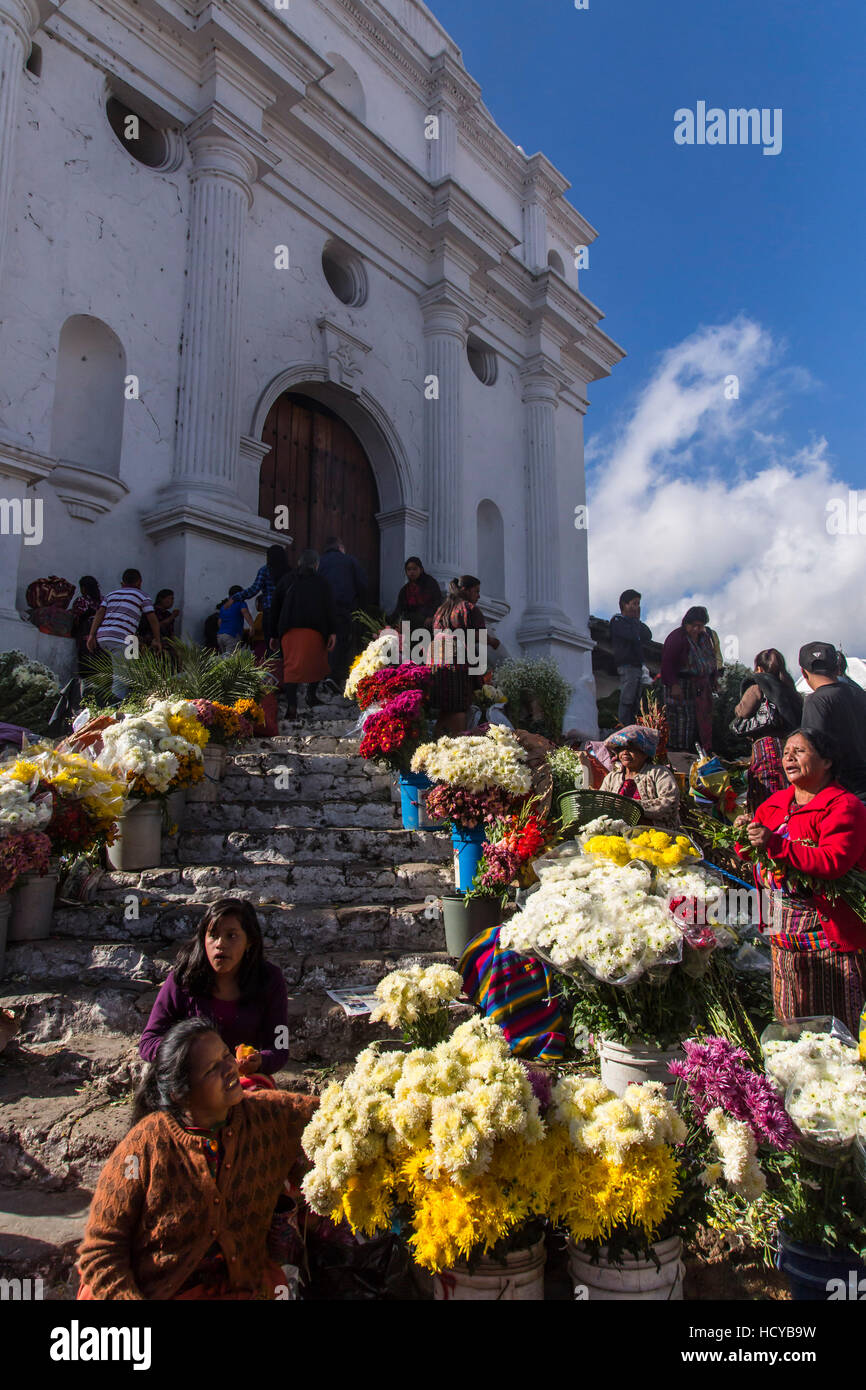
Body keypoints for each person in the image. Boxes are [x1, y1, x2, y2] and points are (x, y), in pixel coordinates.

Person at [77, 1018, 317, 1300]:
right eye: (213, 1069)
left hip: (245, 1287)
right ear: (181, 1093)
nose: (230, 1068)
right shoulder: (145, 1146)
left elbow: (333, 1115)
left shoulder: (268, 1116)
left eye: (227, 1055)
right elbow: (102, 1250)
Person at [734, 728, 866, 1035]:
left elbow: (833, 861)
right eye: (786, 752)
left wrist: (776, 845)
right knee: (793, 1025)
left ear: (827, 761)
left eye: (800, 751)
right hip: (784, 938)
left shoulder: (843, 806)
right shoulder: (775, 804)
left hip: (827, 937)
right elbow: (750, 854)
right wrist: (744, 835)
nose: (789, 757)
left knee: (836, 1027)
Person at [140, 899, 289, 1086]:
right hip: (191, 1082)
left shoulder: (270, 980)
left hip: (241, 1081)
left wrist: (260, 1061)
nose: (220, 944)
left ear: (249, 941)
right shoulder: (182, 979)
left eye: (231, 936)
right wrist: (190, 1056)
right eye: (213, 935)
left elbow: (280, 1048)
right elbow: (148, 1041)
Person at [733, 648, 804, 812]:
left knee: (765, 793)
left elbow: (742, 711)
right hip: (788, 748)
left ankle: (766, 826)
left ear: (759, 668)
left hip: (765, 749)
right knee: (786, 789)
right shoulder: (790, 690)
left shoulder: (757, 687)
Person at [430, 576, 500, 736]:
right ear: (465, 590)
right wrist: (492, 641)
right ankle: (457, 743)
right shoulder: (468, 608)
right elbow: (478, 635)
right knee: (459, 705)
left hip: (436, 659)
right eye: (476, 591)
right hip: (456, 661)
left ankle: (437, 743)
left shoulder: (442, 609)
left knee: (445, 708)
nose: (478, 596)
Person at [799, 641, 866, 803]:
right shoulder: (859, 694)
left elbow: (811, 751)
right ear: (836, 668)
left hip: (844, 796)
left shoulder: (816, 701)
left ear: (804, 672)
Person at [274, 550, 337, 720]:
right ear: (316, 565)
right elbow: (330, 607)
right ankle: (311, 695)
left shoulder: (287, 580)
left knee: (291, 669)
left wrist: (273, 633)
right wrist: (332, 631)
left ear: (299, 564)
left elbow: (275, 606)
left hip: (289, 630)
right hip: (315, 631)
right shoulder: (322, 582)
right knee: (316, 666)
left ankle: (292, 706)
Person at [86, 568, 161, 702]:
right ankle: (114, 709)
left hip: (103, 636)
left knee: (130, 669)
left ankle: (131, 698)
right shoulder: (142, 596)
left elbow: (99, 613)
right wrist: (157, 640)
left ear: (123, 583)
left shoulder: (111, 595)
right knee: (122, 678)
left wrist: (91, 635)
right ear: (139, 582)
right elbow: (152, 619)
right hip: (121, 639)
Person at [660, 606, 718, 755]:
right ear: (686, 623)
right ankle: (679, 752)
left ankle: (699, 752)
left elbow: (711, 659)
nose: (696, 629)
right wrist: (673, 685)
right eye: (693, 625)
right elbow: (667, 663)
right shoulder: (677, 638)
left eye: (700, 626)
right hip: (680, 684)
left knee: (698, 721)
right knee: (680, 720)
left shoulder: (705, 638)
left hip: (698, 687)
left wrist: (713, 680)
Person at [600, 726, 681, 831]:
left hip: (654, 835)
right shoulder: (612, 777)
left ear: (645, 753)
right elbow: (601, 802)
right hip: (617, 835)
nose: (625, 752)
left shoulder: (658, 773)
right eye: (621, 749)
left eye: (631, 749)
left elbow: (670, 803)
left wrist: (629, 805)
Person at [317, 537, 366, 690]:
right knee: (341, 640)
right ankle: (333, 677)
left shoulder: (320, 562)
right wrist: (361, 609)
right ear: (340, 547)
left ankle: (320, 677)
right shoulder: (349, 561)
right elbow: (361, 585)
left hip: (321, 609)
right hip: (343, 608)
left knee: (323, 641)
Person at [610, 590, 652, 727]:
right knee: (627, 700)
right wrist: (634, 623)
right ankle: (623, 728)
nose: (636, 608)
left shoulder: (634, 623)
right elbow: (633, 636)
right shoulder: (618, 621)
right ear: (624, 604)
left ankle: (633, 729)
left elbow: (647, 634)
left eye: (638, 604)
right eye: (633, 604)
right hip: (627, 666)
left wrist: (637, 621)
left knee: (636, 702)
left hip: (637, 666)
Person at [236, 544, 290, 648]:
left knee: (270, 645)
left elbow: (254, 589)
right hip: (285, 612)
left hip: (270, 611)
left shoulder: (265, 570)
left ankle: (271, 664)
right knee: (284, 645)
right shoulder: (289, 572)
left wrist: (236, 597)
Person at [389, 558, 442, 632]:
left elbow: (438, 601)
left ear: (421, 569)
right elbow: (399, 609)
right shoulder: (405, 590)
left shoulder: (430, 583)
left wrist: (431, 616)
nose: (412, 572)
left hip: (429, 622)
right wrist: (388, 623)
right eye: (409, 569)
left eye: (414, 569)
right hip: (411, 623)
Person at [71, 576, 102, 673]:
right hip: (102, 641)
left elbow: (76, 620)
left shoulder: (82, 601)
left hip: (86, 640)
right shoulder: (104, 601)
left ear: (84, 588)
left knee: (86, 670)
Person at [217, 586, 252, 654]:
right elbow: (245, 612)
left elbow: (219, 622)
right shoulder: (240, 603)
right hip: (232, 635)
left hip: (220, 636)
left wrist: (224, 631)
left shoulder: (224, 606)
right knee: (231, 659)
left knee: (224, 659)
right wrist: (251, 626)